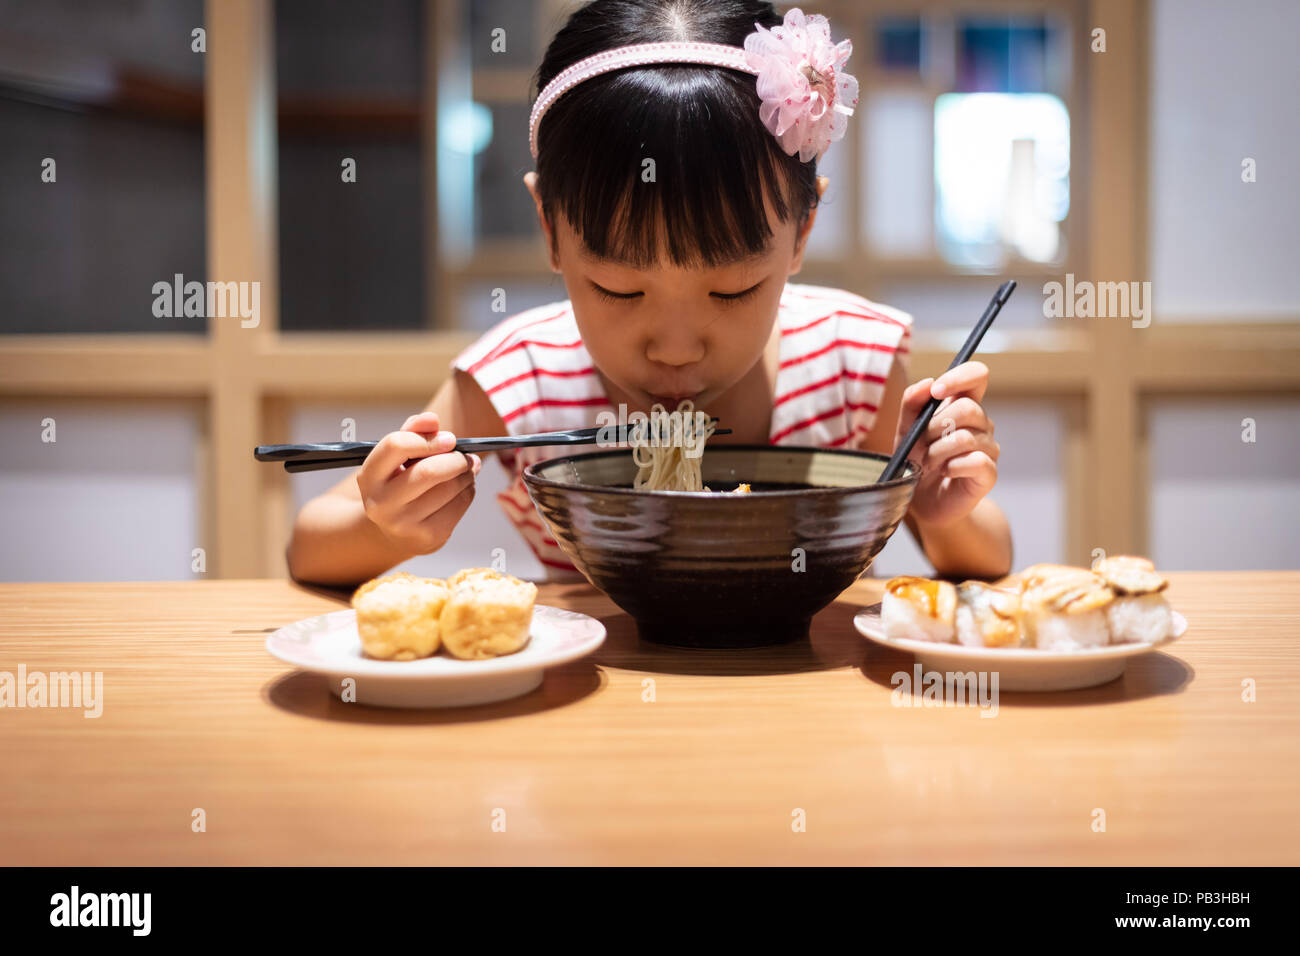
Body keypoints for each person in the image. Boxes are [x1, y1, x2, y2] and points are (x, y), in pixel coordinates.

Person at [286, 0, 1012, 587]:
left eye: (730, 291)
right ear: (550, 230)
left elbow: (987, 557)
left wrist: (945, 510)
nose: (674, 345)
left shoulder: (852, 363)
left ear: (801, 231)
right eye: (619, 288)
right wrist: (387, 522)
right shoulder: (520, 378)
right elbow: (309, 548)